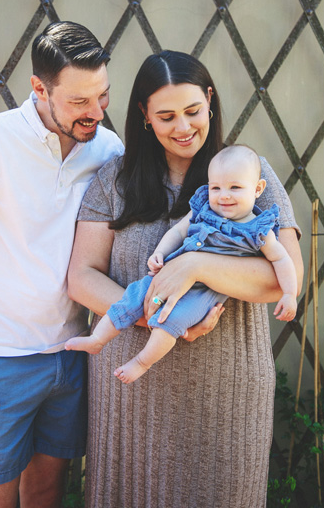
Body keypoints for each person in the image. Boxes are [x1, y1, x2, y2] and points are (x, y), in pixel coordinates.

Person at [66, 50, 303, 507]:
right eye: (166, 116)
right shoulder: (114, 180)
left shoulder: (253, 174)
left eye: (193, 111)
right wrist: (155, 319)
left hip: (224, 394)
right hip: (129, 392)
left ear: (210, 101)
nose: (183, 127)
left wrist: (194, 265)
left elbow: (281, 278)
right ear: (144, 116)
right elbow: (81, 276)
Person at [0, 21, 124, 508]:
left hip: (73, 352)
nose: (95, 112)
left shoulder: (109, 150)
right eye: (79, 101)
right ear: (39, 88)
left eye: (102, 96)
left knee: (47, 491)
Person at [65, 144, 297, 383]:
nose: (224, 195)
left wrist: (289, 293)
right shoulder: (204, 209)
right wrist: (159, 253)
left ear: (258, 189)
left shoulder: (258, 228)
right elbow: (177, 232)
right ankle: (98, 340)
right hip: (167, 277)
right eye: (216, 187)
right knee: (133, 297)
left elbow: (281, 259)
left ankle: (141, 362)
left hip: (204, 294)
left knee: (170, 322)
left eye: (235, 187)